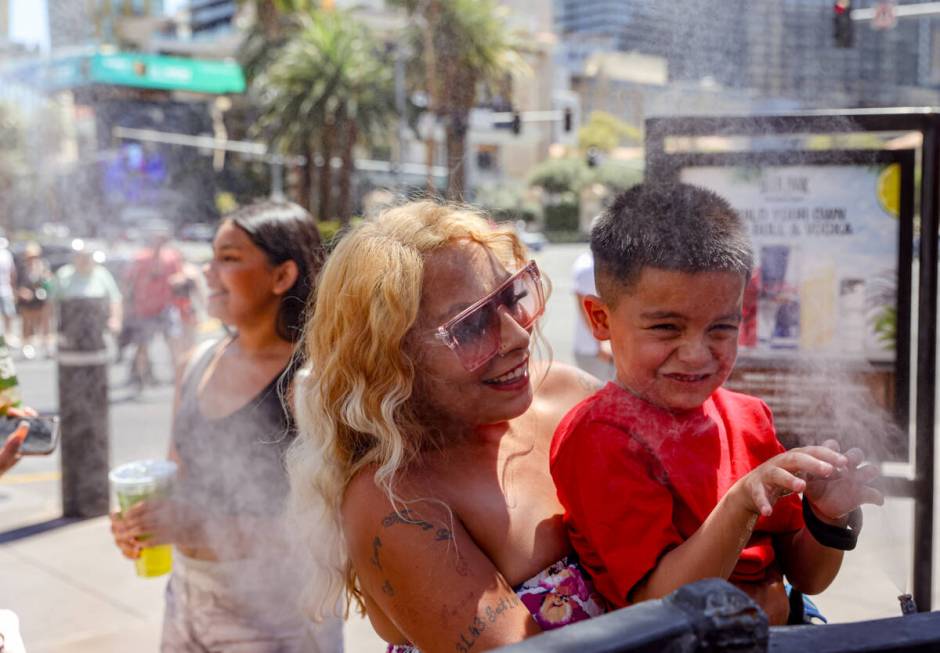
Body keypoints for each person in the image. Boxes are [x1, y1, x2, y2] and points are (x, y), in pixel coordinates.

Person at [550, 183, 885, 626]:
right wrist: (741, 503)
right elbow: (661, 605)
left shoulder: (748, 417)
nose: (696, 353)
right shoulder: (602, 438)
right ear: (600, 319)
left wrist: (827, 515)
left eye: (722, 327)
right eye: (667, 327)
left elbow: (807, 576)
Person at [287, 201, 608, 653]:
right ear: (393, 359)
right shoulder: (398, 499)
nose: (518, 337)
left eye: (513, 296)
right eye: (473, 324)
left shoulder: (565, 393)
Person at [108, 201, 342, 652]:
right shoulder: (197, 361)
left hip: (279, 615)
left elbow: (331, 530)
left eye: (229, 258)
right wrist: (140, 522)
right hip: (186, 596)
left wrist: (198, 526)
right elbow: (176, 479)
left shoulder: (311, 381)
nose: (207, 272)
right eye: (211, 256)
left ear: (282, 276)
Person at [123, 232, 183, 388]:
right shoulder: (140, 258)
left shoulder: (171, 257)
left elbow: (178, 277)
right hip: (145, 309)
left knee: (173, 343)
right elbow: (128, 280)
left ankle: (179, 378)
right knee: (143, 345)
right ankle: (141, 378)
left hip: (165, 307)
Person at [53, 240, 123, 335]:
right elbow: (50, 302)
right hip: (69, 329)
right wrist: (48, 329)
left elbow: (115, 299)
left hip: (97, 330)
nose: (84, 261)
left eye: (87, 257)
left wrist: (115, 319)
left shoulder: (102, 274)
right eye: (81, 257)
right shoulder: (64, 274)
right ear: (75, 258)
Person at [571, 249, 615, 381]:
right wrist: (602, 344)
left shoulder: (588, 261)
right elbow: (586, 308)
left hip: (595, 348)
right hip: (596, 352)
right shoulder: (589, 267)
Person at [15, 242, 54, 359]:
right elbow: (16, 283)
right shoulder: (22, 268)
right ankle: (26, 347)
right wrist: (21, 292)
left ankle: (47, 347)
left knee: (45, 324)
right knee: (27, 324)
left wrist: (47, 279)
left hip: (41, 299)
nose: (33, 259)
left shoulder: (43, 266)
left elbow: (48, 280)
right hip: (27, 300)